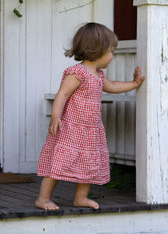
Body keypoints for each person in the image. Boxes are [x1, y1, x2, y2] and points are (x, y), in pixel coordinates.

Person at [35, 22, 145, 211]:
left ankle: (81, 198)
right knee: (59, 161)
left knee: (88, 162)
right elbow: (62, 94)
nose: (112, 56)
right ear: (97, 50)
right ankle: (43, 198)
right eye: (111, 51)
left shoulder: (99, 76)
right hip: (70, 126)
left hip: (90, 129)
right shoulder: (77, 73)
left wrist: (134, 84)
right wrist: (55, 116)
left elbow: (114, 87)